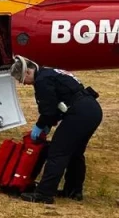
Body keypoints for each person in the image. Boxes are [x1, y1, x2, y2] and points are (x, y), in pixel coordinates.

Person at [10, 55, 103, 204]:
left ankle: (44, 194)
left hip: (79, 112)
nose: (23, 84)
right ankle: (73, 191)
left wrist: (40, 126)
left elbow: (48, 110)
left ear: (27, 72)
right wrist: (49, 122)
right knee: (75, 152)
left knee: (57, 152)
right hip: (92, 110)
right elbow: (59, 104)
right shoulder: (50, 73)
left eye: (21, 80)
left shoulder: (42, 81)